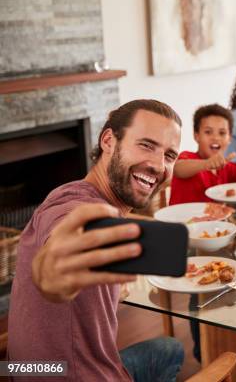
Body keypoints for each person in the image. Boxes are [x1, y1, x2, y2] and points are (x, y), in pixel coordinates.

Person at [8, 100, 185, 381]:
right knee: (174, 350)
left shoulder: (68, 191)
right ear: (108, 141)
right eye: (146, 145)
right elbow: (58, 248)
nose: (157, 165)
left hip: (23, 370)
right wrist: (53, 272)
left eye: (170, 155)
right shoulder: (73, 207)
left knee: (168, 348)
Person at [169, 104, 236, 205]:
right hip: (180, 222)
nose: (215, 137)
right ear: (196, 136)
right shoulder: (188, 157)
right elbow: (178, 169)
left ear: (230, 138)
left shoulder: (225, 167)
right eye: (208, 132)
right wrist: (206, 164)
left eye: (222, 133)